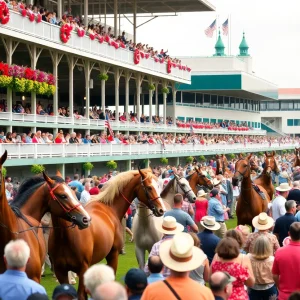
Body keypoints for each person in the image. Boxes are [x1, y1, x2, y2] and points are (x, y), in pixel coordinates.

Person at [141, 232, 214, 300]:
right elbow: (207, 278)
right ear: (191, 262)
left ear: (168, 261)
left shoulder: (151, 291)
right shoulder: (205, 294)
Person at [272, 222, 300, 300]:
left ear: (289, 234)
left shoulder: (279, 252)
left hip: (284, 295)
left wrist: (280, 287)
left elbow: (275, 275)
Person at [247, 235, 277, 300]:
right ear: (268, 247)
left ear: (255, 246)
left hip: (253, 288)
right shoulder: (272, 259)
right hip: (269, 288)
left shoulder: (248, 258)